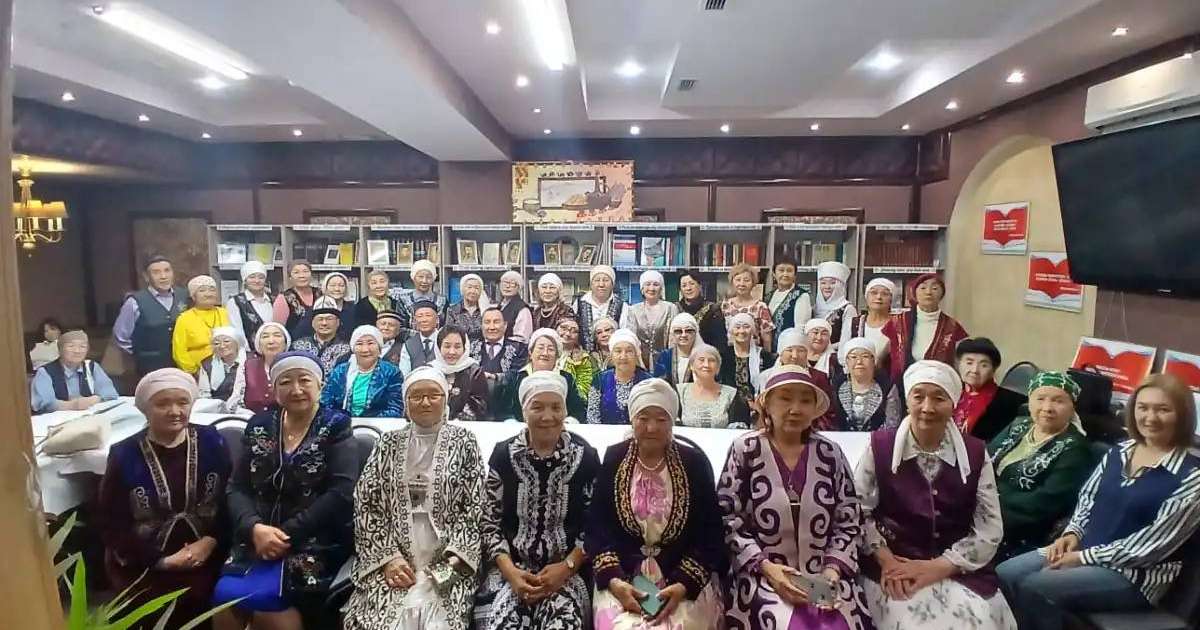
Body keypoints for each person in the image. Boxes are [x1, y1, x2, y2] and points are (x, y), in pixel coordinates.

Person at [996, 374, 1200, 630]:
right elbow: (1088, 499)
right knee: (1005, 573)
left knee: (1036, 587)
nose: (1150, 417)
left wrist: (1083, 558)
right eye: (1143, 407)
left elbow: (1150, 547)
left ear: (1182, 416)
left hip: (1133, 574)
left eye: (1163, 410)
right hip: (1083, 549)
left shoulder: (1192, 477)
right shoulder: (1120, 450)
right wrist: (1073, 532)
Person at [854, 360, 1016, 630]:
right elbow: (857, 512)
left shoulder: (975, 453)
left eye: (939, 398)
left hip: (956, 569)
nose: (927, 407)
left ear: (953, 403)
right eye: (919, 397)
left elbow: (989, 528)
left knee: (979, 620)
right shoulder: (880, 447)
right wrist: (887, 561)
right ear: (908, 401)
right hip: (894, 567)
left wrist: (940, 567)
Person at [719, 365, 872, 629]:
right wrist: (767, 568)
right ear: (767, 403)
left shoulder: (830, 453)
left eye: (805, 400)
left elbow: (849, 520)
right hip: (763, 577)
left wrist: (831, 572)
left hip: (824, 577)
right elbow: (727, 518)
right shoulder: (745, 450)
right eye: (785, 398)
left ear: (814, 408)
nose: (795, 408)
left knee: (834, 623)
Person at [214, 351, 358, 630]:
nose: (296, 389)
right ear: (274, 388)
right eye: (285, 382)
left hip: (312, 541)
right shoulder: (259, 425)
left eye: (304, 380)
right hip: (254, 539)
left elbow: (341, 492)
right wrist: (255, 528)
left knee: (270, 607)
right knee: (225, 601)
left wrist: (285, 534)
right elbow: (237, 487)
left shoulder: (335, 426)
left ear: (319, 385)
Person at [341, 367, 484, 630]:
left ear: (445, 399)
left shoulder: (465, 442)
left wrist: (450, 563)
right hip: (393, 558)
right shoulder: (388, 443)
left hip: (447, 559)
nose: (426, 402)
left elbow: (475, 508)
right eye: (417, 396)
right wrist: (389, 559)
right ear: (406, 402)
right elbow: (366, 504)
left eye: (434, 395)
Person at [587, 379, 726, 630]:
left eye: (661, 419)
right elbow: (598, 527)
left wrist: (683, 585)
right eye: (643, 418)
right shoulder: (614, 458)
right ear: (632, 419)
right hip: (623, 576)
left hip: (682, 577)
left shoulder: (693, 463)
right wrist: (616, 581)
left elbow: (711, 534)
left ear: (673, 420)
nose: (651, 427)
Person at [98, 368, 230, 629]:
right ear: (146, 409)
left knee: (209, 594)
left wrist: (210, 541)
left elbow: (229, 498)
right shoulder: (124, 453)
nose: (175, 411)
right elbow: (109, 519)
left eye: (182, 402)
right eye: (163, 404)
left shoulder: (211, 441)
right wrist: (161, 560)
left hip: (208, 552)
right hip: (143, 559)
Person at [474, 371, 601, 630]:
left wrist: (565, 568)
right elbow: (489, 523)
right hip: (510, 571)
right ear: (524, 412)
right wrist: (511, 573)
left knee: (563, 624)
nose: (547, 416)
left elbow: (595, 525)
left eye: (556, 407)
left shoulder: (585, 456)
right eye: (537, 407)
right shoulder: (503, 455)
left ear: (565, 411)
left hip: (567, 572)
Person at [987, 371, 1094, 561]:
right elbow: (983, 461)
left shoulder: (1075, 448)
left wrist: (988, 506)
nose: (1047, 407)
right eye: (1040, 398)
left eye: (1058, 401)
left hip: (1019, 530)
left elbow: (1043, 503)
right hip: (983, 510)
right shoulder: (1019, 425)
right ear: (1029, 401)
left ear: (1072, 407)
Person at [881, 272, 968, 386]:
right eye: (923, 287)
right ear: (915, 293)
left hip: (939, 386)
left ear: (942, 294)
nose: (928, 292)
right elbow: (882, 356)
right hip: (900, 386)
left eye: (935, 288)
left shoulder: (952, 326)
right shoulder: (898, 322)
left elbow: (960, 362)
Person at [113, 255, 189, 376]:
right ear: (146, 277)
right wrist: (142, 354)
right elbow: (121, 337)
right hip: (149, 369)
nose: (163, 276)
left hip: (182, 367)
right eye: (156, 272)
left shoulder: (184, 296)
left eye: (167, 271)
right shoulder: (135, 302)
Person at [501, 328, 586, 421]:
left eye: (551, 349)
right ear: (530, 352)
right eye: (540, 348)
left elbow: (578, 412)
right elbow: (504, 412)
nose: (545, 353)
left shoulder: (566, 378)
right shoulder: (516, 378)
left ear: (557, 355)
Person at [320, 325, 404, 418]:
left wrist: (365, 422)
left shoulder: (391, 372)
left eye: (370, 343)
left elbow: (395, 409)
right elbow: (326, 403)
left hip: (378, 425)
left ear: (379, 348)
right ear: (353, 348)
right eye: (359, 344)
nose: (365, 349)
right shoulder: (340, 371)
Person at [954, 337, 1026, 442]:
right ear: (959, 365)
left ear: (993, 370)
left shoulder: (1011, 402)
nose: (974, 370)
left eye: (984, 365)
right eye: (969, 363)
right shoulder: (950, 395)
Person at [30, 329, 119, 413]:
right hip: (57, 421)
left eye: (83, 347)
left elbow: (110, 393)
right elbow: (43, 403)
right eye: (71, 346)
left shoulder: (92, 366)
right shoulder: (45, 372)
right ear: (60, 349)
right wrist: (72, 405)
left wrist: (93, 400)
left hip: (89, 417)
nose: (77, 351)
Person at [829, 337, 902, 432]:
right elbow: (831, 422)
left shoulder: (887, 387)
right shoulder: (836, 385)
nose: (859, 362)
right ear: (846, 361)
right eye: (853, 357)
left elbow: (892, 425)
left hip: (877, 442)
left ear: (873, 360)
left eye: (865, 356)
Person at [677, 343, 750, 429]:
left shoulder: (731, 394)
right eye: (701, 360)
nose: (706, 365)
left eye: (711, 360)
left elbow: (738, 430)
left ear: (718, 367)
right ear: (691, 366)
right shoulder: (680, 392)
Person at [586, 329, 651, 425]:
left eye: (629, 351)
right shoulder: (600, 379)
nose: (623, 356)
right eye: (618, 351)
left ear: (636, 354)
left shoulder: (648, 382)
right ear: (611, 355)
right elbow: (593, 416)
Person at [171, 275, 231, 375]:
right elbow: (179, 352)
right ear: (193, 296)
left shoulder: (225, 313)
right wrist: (195, 372)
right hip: (198, 372)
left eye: (212, 290)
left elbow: (236, 341)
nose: (208, 294)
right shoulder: (184, 318)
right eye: (202, 290)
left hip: (227, 368)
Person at [620, 270, 679, 369]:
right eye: (647, 284)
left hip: (665, 362)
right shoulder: (633, 310)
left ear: (661, 288)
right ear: (642, 289)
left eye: (656, 284)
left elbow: (673, 338)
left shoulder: (670, 308)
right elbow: (631, 338)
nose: (651, 288)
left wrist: (670, 362)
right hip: (639, 361)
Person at [430, 325, 489, 421]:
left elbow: (479, 409)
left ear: (465, 348)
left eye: (457, 347)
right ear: (438, 347)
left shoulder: (474, 372)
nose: (452, 352)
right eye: (447, 346)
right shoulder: (429, 371)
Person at [230, 322, 290, 414]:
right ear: (259, 344)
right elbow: (235, 402)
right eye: (265, 337)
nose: (271, 341)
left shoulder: (294, 366)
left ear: (286, 343)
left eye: (277, 336)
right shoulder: (247, 366)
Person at [473, 307, 529, 403]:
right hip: (476, 407)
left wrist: (496, 378)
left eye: (496, 322)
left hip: (508, 405)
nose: (492, 327)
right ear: (481, 326)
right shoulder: (470, 347)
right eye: (487, 322)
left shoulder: (519, 348)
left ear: (505, 325)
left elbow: (519, 375)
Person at [721, 312, 776, 409]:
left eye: (746, 327)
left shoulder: (764, 356)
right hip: (730, 405)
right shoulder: (723, 356)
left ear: (752, 331)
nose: (741, 331)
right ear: (732, 331)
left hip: (760, 406)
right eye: (737, 327)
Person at [291, 297, 353, 375]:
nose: (324, 323)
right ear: (313, 323)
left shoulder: (347, 349)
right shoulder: (297, 347)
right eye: (320, 319)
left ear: (338, 323)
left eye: (329, 319)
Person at [721, 263, 773, 350]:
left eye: (746, 280)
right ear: (732, 282)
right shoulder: (725, 305)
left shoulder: (760, 306)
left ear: (753, 283)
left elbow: (766, 337)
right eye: (738, 280)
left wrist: (768, 357)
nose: (742, 284)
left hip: (753, 352)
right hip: (729, 352)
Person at [574, 265, 626, 352]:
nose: (601, 284)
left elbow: (624, 335)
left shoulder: (622, 305)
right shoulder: (579, 303)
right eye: (597, 280)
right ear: (591, 284)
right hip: (583, 357)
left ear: (612, 284)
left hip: (613, 357)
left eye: (606, 280)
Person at [766, 256, 812, 352]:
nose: (785, 274)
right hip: (769, 349)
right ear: (774, 274)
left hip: (789, 350)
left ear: (795, 275)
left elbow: (801, 328)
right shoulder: (769, 296)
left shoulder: (801, 295)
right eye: (781, 270)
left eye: (789, 271)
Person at [273, 261, 323, 341]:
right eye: (296, 272)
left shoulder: (321, 294)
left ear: (311, 275)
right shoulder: (284, 298)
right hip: (295, 345)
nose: (302, 276)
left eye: (305, 271)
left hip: (321, 342)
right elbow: (279, 329)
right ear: (290, 277)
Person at [849, 277, 897, 363]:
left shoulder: (899, 324)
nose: (878, 297)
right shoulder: (855, 323)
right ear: (866, 297)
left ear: (891, 299)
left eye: (885, 294)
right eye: (874, 293)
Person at [227, 260, 274, 343]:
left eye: (261, 277)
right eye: (252, 277)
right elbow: (237, 332)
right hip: (249, 352)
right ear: (245, 280)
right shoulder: (235, 302)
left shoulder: (274, 300)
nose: (257, 281)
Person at [678, 271, 727, 351]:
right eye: (684, 286)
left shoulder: (712, 309)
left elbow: (720, 341)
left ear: (700, 286)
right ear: (680, 290)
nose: (688, 288)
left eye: (692, 284)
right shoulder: (675, 309)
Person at [813, 261, 855, 351]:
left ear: (841, 285)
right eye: (823, 283)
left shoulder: (848, 309)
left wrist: (825, 348)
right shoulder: (814, 308)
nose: (827, 287)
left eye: (832, 283)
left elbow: (848, 339)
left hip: (836, 356)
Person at [396, 260, 448, 333]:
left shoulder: (442, 301)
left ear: (433, 279)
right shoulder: (403, 300)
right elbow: (399, 327)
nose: (424, 281)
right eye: (420, 277)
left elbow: (446, 326)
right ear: (413, 277)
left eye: (429, 277)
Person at [198, 326, 245, 404]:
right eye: (216, 343)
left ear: (237, 343)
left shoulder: (251, 361)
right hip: (217, 407)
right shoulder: (207, 364)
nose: (222, 346)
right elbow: (204, 394)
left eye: (226, 341)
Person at [653, 312, 700, 387]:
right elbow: (658, 385)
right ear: (672, 334)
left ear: (696, 333)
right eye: (678, 331)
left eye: (688, 331)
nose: (683, 335)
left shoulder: (704, 357)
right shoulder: (665, 356)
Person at [556, 317, 597, 402]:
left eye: (574, 331)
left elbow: (584, 388)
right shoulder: (545, 352)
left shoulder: (583, 358)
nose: (567, 334)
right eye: (564, 328)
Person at [398, 301, 442, 376]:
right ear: (414, 321)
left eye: (428, 315)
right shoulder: (409, 344)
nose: (424, 320)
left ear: (437, 319)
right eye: (419, 316)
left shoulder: (445, 339)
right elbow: (404, 374)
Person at [444, 273, 489, 344]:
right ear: (462, 289)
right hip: (460, 348)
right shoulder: (452, 310)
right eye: (469, 287)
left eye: (476, 288)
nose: (473, 291)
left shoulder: (485, 311)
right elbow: (448, 334)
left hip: (482, 349)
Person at [356, 270, 402, 336]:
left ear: (388, 283)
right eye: (374, 283)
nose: (379, 286)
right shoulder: (360, 307)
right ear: (368, 286)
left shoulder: (396, 304)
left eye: (382, 282)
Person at [498, 270, 534, 343]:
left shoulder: (523, 309)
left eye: (512, 283)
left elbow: (522, 338)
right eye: (505, 282)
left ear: (519, 288)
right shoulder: (500, 306)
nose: (507, 286)